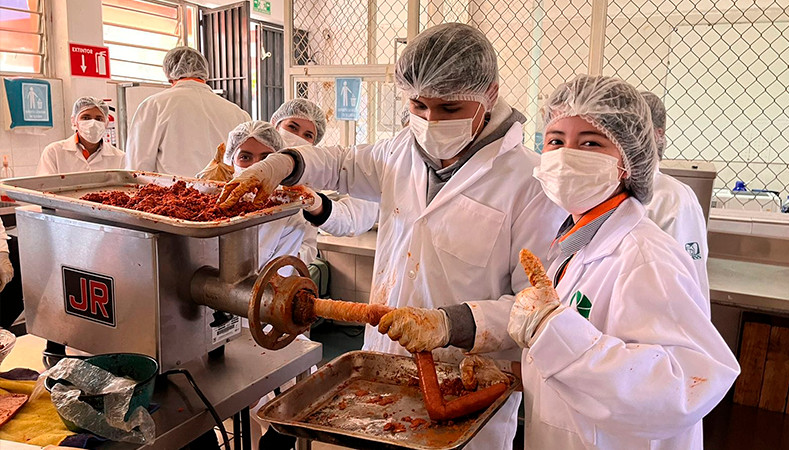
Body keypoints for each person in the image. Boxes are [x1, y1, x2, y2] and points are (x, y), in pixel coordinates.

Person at [217, 23, 566, 449]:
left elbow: (534, 304)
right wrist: (282, 164)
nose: (431, 121)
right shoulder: (402, 150)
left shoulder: (529, 183)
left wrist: (448, 324)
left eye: (450, 108)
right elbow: (341, 163)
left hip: (463, 382)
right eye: (419, 105)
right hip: (384, 367)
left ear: (489, 95)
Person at [379, 75, 739, 450]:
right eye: (556, 141)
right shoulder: (577, 246)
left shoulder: (645, 257)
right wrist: (513, 373)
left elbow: (687, 386)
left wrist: (553, 332)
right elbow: (581, 360)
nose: (567, 156)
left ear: (628, 162)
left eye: (590, 143)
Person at [124, 46, 251, 177]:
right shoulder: (237, 113)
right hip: (223, 195)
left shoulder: (154, 106)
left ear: (169, 76)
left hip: (174, 194)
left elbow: (137, 169)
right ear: (205, 75)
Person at [270, 98, 379, 238]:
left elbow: (309, 240)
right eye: (292, 127)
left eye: (308, 135)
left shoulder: (309, 182)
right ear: (275, 125)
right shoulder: (252, 160)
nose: (298, 137)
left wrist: (317, 205)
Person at [640, 91, 710, 307]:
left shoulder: (674, 199)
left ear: (658, 135)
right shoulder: (609, 191)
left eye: (636, 130)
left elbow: (686, 288)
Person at [224, 121, 318, 266]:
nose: (255, 167)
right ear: (231, 162)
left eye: (266, 159)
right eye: (245, 157)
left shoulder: (288, 215)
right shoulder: (209, 206)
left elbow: (277, 277)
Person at [36, 97, 124, 175]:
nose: (93, 124)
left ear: (106, 123)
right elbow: (44, 189)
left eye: (99, 119)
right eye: (86, 118)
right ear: (74, 121)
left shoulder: (120, 158)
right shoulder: (54, 152)